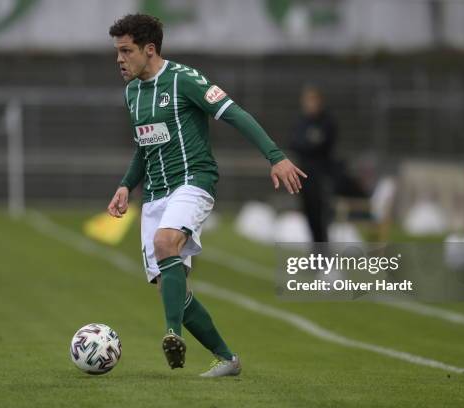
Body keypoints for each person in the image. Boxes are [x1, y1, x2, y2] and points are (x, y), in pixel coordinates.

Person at [106, 14, 306, 378]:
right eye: (117, 51)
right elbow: (143, 146)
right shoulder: (132, 92)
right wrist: (125, 184)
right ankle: (226, 358)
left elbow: (236, 114)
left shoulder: (185, 79)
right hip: (154, 193)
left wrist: (275, 157)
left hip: (193, 180)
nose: (119, 59)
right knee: (170, 285)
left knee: (166, 242)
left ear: (149, 50)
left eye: (126, 51)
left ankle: (171, 334)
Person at [291, 86, 337, 242]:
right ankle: (315, 255)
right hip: (304, 176)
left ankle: (325, 257)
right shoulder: (301, 121)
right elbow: (294, 143)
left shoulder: (327, 122)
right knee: (309, 216)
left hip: (321, 176)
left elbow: (322, 145)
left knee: (322, 217)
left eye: (313, 100)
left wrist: (308, 145)